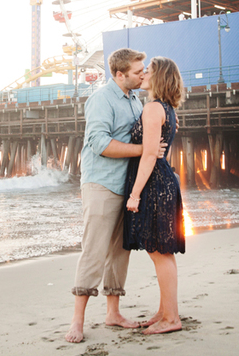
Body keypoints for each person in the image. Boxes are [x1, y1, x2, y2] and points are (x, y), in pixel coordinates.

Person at [65, 48, 168, 344]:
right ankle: (77, 321)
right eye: (137, 71)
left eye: (143, 69)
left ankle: (113, 313)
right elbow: (99, 143)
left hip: (127, 186)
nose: (143, 74)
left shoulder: (135, 99)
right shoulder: (101, 99)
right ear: (119, 74)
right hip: (101, 184)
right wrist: (144, 150)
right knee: (94, 251)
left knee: (120, 252)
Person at [124, 56, 187, 335]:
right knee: (162, 251)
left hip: (155, 185)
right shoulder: (167, 109)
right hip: (163, 182)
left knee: (160, 252)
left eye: (148, 71)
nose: (143, 74)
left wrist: (135, 194)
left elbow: (149, 155)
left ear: (159, 77)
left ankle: (171, 318)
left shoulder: (152, 108)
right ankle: (164, 311)